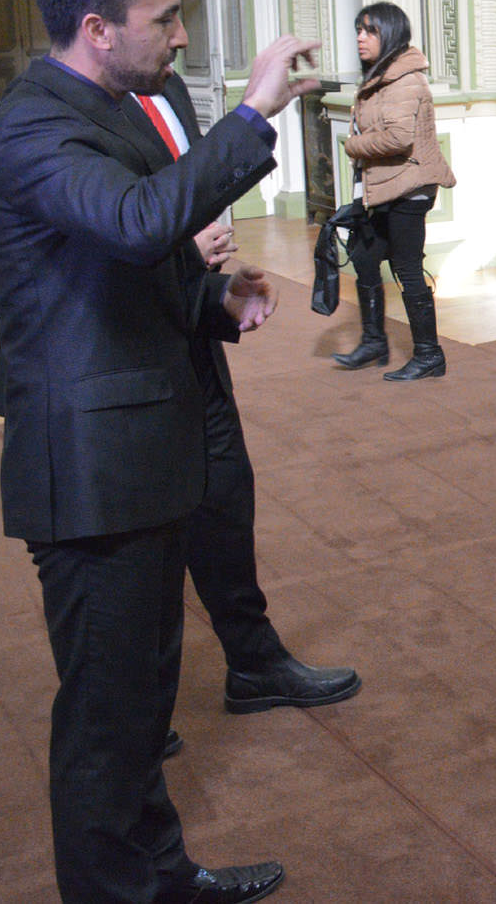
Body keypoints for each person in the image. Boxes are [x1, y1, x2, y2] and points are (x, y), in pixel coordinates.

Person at [0, 0, 317, 904]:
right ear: (95, 26)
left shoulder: (107, 106)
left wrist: (214, 298)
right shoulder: (36, 122)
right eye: (163, 18)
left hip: (134, 447)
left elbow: (127, 266)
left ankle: (157, 878)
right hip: (89, 465)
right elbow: (134, 222)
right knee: (107, 717)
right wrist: (253, 110)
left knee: (138, 698)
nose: (178, 34)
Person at [128, 75, 363, 719]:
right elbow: (110, 236)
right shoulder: (68, 114)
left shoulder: (169, 88)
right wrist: (179, 252)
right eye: (164, 18)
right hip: (125, 358)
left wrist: (209, 280)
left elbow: (191, 188)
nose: (181, 35)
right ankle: (136, 720)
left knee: (225, 493)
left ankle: (254, 663)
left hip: (191, 327)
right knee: (143, 548)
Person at [333, 1, 457, 381]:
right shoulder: (379, 76)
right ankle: (374, 341)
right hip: (387, 187)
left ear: (390, 34)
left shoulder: (405, 79)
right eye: (358, 30)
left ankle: (429, 354)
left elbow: (400, 137)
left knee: (406, 267)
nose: (360, 38)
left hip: (410, 187)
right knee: (365, 256)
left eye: (369, 31)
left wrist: (353, 145)